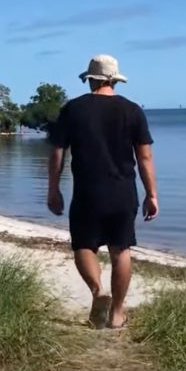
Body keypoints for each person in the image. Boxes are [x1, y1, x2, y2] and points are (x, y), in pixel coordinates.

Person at [46, 54, 159, 329]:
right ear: (114, 80)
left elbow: (57, 152)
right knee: (121, 250)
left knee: (84, 245)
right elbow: (145, 158)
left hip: (87, 191)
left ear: (91, 79)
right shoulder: (132, 111)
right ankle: (117, 313)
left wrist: (53, 188)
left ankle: (98, 291)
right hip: (123, 192)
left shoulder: (73, 109)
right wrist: (152, 194)